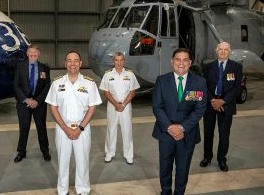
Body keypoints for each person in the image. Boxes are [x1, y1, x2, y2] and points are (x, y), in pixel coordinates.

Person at [45, 51, 102, 195]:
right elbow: (53, 107)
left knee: (82, 162)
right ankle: (62, 190)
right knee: (63, 162)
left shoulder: (89, 83)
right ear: (65, 63)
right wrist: (65, 128)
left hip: (82, 129)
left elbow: (92, 107)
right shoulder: (57, 83)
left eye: (76, 60)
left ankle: (82, 189)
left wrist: (80, 128)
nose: (72, 63)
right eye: (69, 60)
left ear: (80, 63)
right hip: (62, 128)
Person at [152, 48, 207, 195]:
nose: (181, 63)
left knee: (183, 169)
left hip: (187, 134)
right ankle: (165, 192)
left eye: (185, 60)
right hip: (165, 133)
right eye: (178, 59)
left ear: (190, 63)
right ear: (172, 62)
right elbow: (157, 107)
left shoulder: (199, 82)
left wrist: (182, 128)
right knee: (165, 167)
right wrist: (170, 127)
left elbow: (199, 109)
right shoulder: (161, 81)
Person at [200, 42, 243, 172]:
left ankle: (221, 159)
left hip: (227, 105)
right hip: (210, 105)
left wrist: (222, 101)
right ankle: (207, 156)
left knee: (224, 134)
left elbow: (237, 87)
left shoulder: (236, 67)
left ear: (230, 51)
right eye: (220, 49)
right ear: (216, 51)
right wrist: (213, 100)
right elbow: (204, 85)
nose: (223, 52)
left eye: (225, 50)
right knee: (208, 133)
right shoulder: (208, 66)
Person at [99, 52, 140, 164]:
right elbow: (105, 92)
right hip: (112, 106)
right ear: (113, 61)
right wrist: (116, 104)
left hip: (126, 106)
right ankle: (109, 153)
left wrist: (123, 104)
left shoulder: (130, 75)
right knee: (111, 129)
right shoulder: (108, 75)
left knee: (127, 130)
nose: (119, 62)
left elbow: (133, 92)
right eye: (116, 60)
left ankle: (128, 154)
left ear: (124, 61)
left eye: (121, 60)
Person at [13, 44, 51, 162]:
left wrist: (37, 101)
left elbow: (46, 86)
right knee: (24, 128)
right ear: (27, 53)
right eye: (31, 53)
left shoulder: (44, 68)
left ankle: (45, 151)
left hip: (39, 104)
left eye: (35, 53)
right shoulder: (19, 67)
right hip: (23, 103)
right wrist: (26, 100)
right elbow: (16, 85)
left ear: (38, 54)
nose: (33, 55)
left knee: (41, 128)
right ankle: (21, 151)